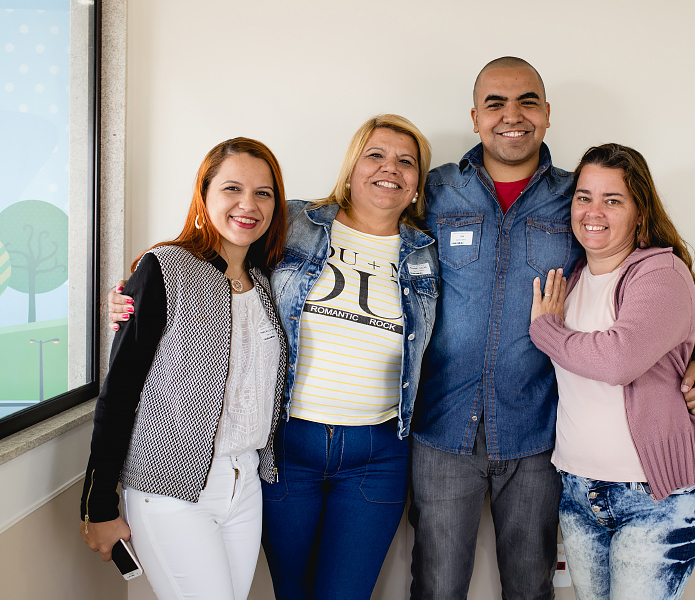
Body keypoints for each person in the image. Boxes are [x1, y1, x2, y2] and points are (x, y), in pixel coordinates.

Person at [408, 57, 695, 600]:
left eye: (527, 102)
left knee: (532, 588)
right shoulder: (435, 191)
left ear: (547, 113)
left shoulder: (577, 196)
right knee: (436, 586)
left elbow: (639, 281)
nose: (512, 115)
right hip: (443, 425)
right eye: (495, 104)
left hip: (537, 433)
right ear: (475, 117)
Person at [106, 115, 439, 599]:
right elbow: (220, 253)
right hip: (287, 447)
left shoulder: (429, 251)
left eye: (406, 161)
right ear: (351, 169)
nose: (390, 168)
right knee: (292, 590)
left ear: (417, 183)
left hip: (377, 451)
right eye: (375, 155)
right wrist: (138, 290)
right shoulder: (298, 222)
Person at [80, 137, 289, 600]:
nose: (248, 205)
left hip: (246, 485)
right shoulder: (164, 267)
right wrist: (98, 504)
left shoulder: (266, 281)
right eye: (232, 189)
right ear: (204, 194)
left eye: (263, 193)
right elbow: (120, 391)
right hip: (169, 488)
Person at [529, 143, 695, 600]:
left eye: (613, 200)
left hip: (652, 498)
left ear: (640, 212)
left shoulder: (661, 272)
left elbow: (618, 360)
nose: (594, 212)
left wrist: (547, 332)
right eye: (584, 197)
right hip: (577, 490)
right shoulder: (571, 279)